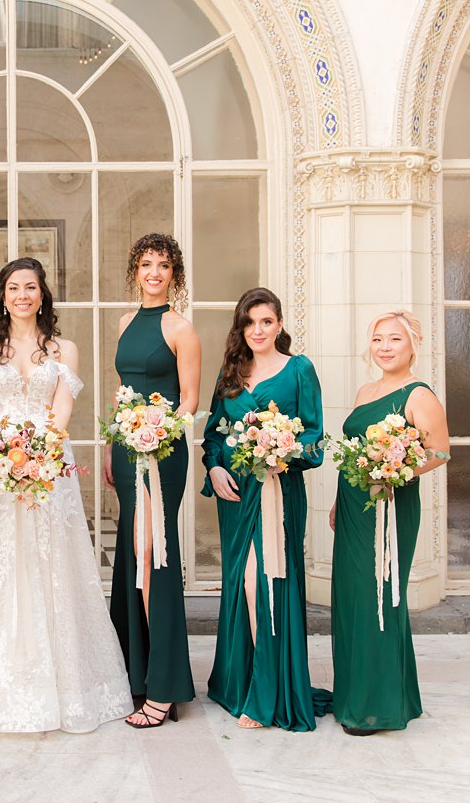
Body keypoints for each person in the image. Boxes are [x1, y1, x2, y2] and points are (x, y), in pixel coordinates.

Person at [0, 257, 133, 733]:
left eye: (31, 287)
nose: (22, 295)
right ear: (2, 295)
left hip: (48, 467)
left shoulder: (65, 348)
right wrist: (2, 454)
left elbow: (62, 413)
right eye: (14, 287)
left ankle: (64, 686)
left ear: (43, 295)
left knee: (51, 565)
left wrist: (36, 456)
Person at [201, 288, 329, 731]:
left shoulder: (299, 370)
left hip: (279, 492)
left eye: (266, 322)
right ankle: (240, 683)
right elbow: (214, 434)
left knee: (266, 582)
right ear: (241, 328)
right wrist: (215, 469)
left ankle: (267, 693)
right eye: (249, 323)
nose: (258, 330)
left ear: (279, 325)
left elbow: (315, 438)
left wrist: (281, 453)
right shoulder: (231, 372)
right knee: (240, 583)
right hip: (236, 495)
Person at [329, 311, 451, 735]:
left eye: (394, 339)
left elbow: (440, 452)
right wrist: (336, 502)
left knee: (378, 597)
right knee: (351, 599)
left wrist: (395, 471)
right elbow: (354, 450)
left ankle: (375, 707)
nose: (384, 346)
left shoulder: (419, 396)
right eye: (378, 339)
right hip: (352, 505)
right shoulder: (366, 391)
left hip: (390, 507)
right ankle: (353, 695)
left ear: (413, 345)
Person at [104, 234, 200, 728]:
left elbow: (188, 400)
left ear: (174, 273)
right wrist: (111, 445)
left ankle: (163, 685)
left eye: (164, 265)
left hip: (162, 452)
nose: (155, 272)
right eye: (147, 264)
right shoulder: (124, 323)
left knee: (152, 553)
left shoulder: (181, 328)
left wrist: (156, 433)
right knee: (131, 553)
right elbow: (122, 392)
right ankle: (134, 674)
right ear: (135, 271)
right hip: (125, 450)